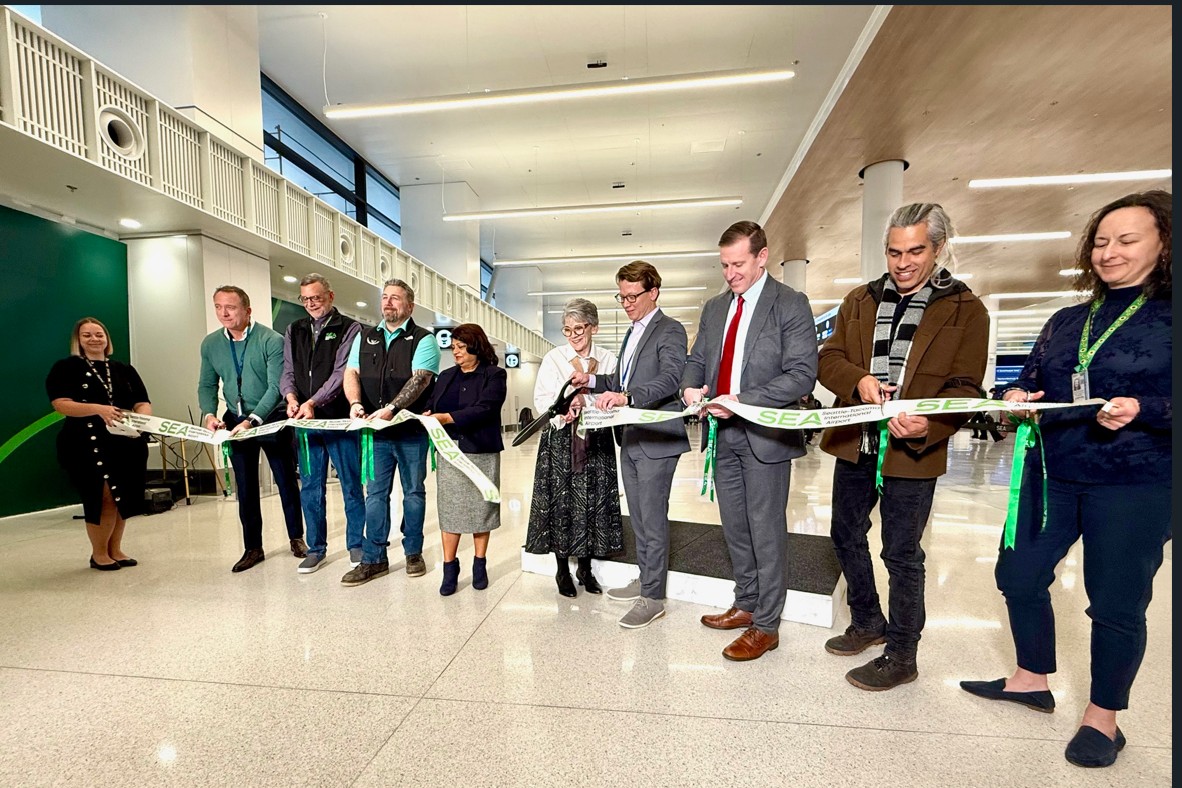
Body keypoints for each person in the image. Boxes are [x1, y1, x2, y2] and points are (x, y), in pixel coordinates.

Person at [960, 190, 1172, 769]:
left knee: (1115, 601)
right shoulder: (1068, 319)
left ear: (1164, 244)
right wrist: (1017, 397)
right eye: (1101, 241)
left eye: (1127, 240)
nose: (1109, 252)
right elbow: (1031, 378)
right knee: (1018, 574)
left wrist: (1145, 409)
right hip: (1052, 471)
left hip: (1135, 481)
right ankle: (1031, 678)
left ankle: (1104, 719)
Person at [817, 202, 989, 690]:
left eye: (915, 251)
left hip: (913, 451)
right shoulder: (859, 300)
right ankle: (867, 620)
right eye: (894, 252)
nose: (903, 262)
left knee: (901, 552)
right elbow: (828, 358)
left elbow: (965, 387)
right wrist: (859, 380)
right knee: (845, 533)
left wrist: (928, 425)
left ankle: (902, 652)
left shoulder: (966, 309)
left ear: (938, 248)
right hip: (858, 442)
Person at [681, 220, 817, 661]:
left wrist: (741, 401)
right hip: (722, 434)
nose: (730, 273)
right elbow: (697, 359)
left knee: (766, 529)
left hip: (764, 436)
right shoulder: (716, 307)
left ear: (762, 256)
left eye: (738, 264)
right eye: (724, 265)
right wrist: (690, 388)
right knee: (735, 526)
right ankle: (746, 602)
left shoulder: (790, 303)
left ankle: (767, 625)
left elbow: (801, 374)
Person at [570, 260, 689, 629]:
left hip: (658, 437)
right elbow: (621, 379)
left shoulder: (669, 329)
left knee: (652, 518)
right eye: (621, 297)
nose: (626, 303)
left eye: (633, 296)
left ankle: (653, 598)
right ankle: (646, 578)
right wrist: (591, 381)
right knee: (638, 518)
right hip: (632, 436)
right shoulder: (633, 332)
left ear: (654, 292)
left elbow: (671, 378)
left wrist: (628, 397)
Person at [339, 278, 440, 587]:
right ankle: (374, 559)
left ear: (410, 305)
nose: (388, 302)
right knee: (375, 496)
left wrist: (393, 409)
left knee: (413, 494)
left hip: (410, 432)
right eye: (385, 297)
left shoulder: (423, 339)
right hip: (375, 434)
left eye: (395, 298)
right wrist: (355, 403)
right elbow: (351, 372)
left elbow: (420, 380)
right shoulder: (365, 336)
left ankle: (413, 553)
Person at [198, 286, 306, 573]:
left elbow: (275, 387)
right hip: (235, 421)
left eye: (230, 307)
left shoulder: (271, 340)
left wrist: (254, 419)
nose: (224, 313)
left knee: (286, 481)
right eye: (218, 307)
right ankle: (253, 547)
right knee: (245, 487)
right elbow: (207, 384)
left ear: (247, 310)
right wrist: (209, 414)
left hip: (270, 419)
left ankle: (296, 537)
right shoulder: (210, 344)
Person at [524, 298, 623, 597]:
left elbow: (614, 395)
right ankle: (562, 569)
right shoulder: (554, 359)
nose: (573, 336)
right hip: (561, 441)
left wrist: (587, 402)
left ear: (594, 327)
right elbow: (542, 399)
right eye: (567, 330)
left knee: (593, 502)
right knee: (561, 504)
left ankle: (585, 568)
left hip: (596, 439)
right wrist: (562, 409)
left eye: (579, 328)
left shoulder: (608, 360)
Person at [46, 317, 153, 570]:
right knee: (102, 496)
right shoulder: (65, 368)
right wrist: (98, 409)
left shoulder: (124, 370)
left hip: (125, 442)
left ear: (107, 339)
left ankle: (115, 549)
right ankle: (99, 553)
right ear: (78, 340)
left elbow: (142, 402)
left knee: (122, 497)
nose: (94, 339)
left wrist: (141, 421)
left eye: (99, 334)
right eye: (87, 335)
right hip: (86, 444)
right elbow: (61, 404)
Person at [280, 273, 364, 574]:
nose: (311, 303)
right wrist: (291, 397)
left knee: (351, 485)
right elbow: (288, 370)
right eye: (305, 299)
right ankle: (316, 549)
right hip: (306, 423)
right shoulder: (294, 329)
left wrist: (313, 402)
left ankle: (357, 545)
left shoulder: (350, 328)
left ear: (330, 296)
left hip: (339, 420)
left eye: (316, 297)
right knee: (311, 488)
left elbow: (342, 373)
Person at [423, 323, 506, 596]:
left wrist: (448, 418)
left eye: (461, 347)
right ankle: (450, 568)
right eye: (453, 347)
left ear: (476, 346)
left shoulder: (494, 375)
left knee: (481, 509)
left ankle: (480, 564)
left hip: (481, 451)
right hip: (450, 452)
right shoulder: (446, 376)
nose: (455, 352)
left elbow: (486, 408)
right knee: (451, 511)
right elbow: (433, 404)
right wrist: (428, 414)